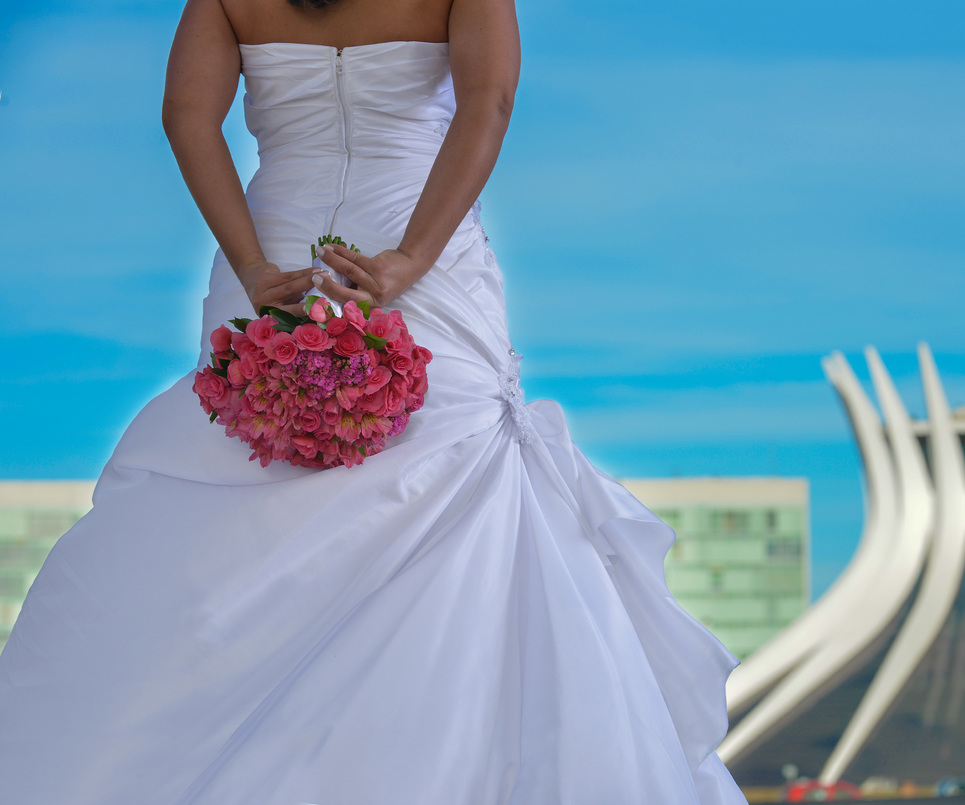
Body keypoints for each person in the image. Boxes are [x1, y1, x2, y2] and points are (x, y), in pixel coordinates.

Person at [0, 0, 749, 802]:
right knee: (457, 478)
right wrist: (408, 260)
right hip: (413, 242)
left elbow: (188, 116)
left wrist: (254, 267)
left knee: (240, 498)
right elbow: (486, 103)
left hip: (275, 251)